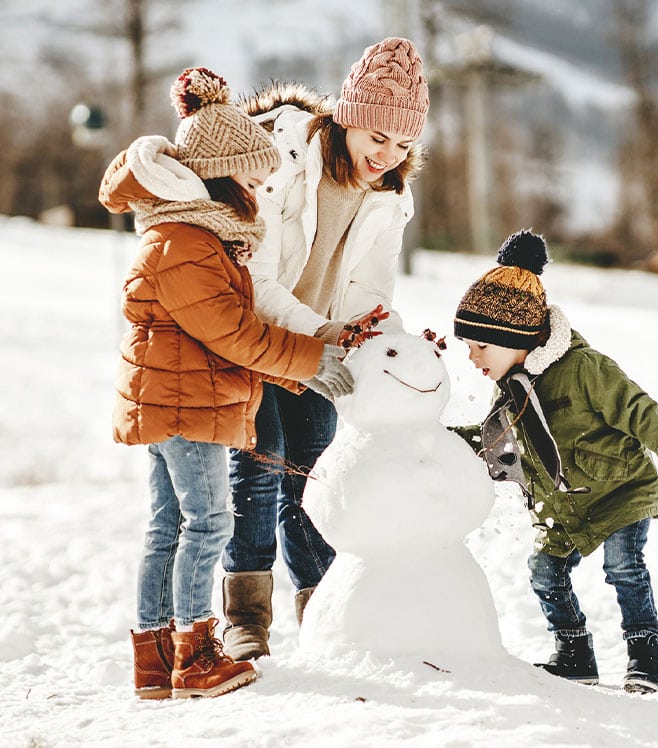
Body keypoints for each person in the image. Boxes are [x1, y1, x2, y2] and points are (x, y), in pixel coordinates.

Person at [100, 67, 355, 700]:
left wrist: (291, 368)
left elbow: (228, 335)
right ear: (217, 175)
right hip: (186, 405)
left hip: (177, 399)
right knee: (208, 522)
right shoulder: (185, 241)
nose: (259, 193)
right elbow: (233, 332)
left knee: (168, 526)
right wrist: (310, 359)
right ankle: (196, 652)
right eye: (250, 180)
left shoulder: (196, 236)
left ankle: (154, 662)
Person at [220, 36, 430, 661]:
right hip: (256, 334)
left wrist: (394, 345)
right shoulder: (284, 159)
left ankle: (323, 607)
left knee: (313, 475)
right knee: (260, 466)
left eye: (402, 144)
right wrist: (317, 333)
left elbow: (371, 289)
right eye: (377, 137)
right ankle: (246, 617)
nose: (386, 155)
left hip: (319, 346)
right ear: (348, 119)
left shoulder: (390, 194)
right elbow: (255, 274)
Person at [451, 229, 658, 694]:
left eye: (481, 345)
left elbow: (639, 410)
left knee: (623, 568)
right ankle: (575, 654)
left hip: (619, 491)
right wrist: (435, 444)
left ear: (515, 337)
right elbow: (494, 444)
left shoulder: (584, 368)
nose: (472, 355)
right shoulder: (512, 388)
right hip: (565, 506)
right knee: (544, 570)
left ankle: (645, 660)